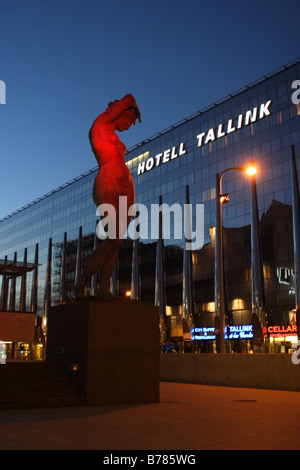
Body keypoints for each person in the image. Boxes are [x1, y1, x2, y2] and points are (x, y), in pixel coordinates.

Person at [74, 94, 141, 297]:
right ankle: (83, 282)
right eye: (129, 121)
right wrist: (135, 106)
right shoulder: (101, 123)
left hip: (124, 184)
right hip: (108, 180)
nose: (128, 127)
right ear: (120, 112)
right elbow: (129, 96)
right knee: (112, 239)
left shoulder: (113, 134)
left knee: (117, 241)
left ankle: (103, 288)